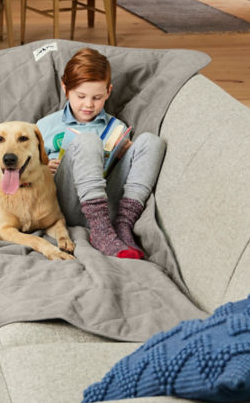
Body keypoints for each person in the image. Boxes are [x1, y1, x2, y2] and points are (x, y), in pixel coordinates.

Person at [36, 48, 165, 259]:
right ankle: (101, 231)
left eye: (97, 97)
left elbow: (123, 171)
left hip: (107, 203)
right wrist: (43, 167)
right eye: (81, 96)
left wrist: (123, 157)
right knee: (88, 140)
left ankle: (124, 224)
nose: (88, 104)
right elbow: (24, 169)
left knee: (152, 142)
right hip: (63, 202)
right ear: (65, 89)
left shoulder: (116, 127)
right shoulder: (45, 126)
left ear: (108, 92)